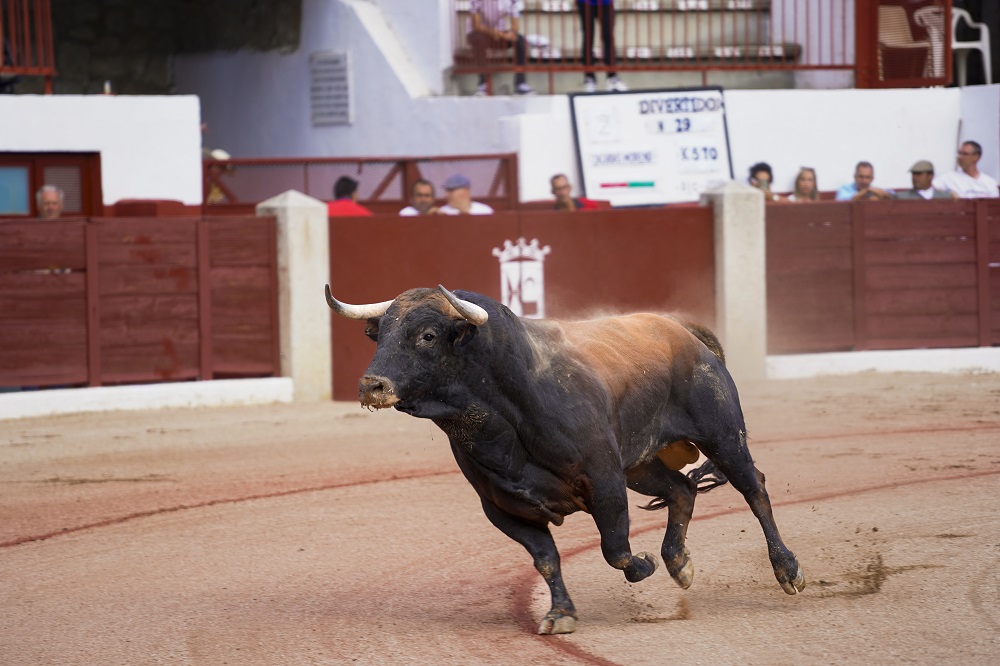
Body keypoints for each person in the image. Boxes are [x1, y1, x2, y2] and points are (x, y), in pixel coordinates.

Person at [468, 0, 535, 96]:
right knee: (479, 40)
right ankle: (483, 85)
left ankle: (520, 84)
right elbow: (476, 25)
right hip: (480, 33)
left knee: (520, 40)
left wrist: (511, 34)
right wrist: (497, 33)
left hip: (499, 34)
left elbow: (515, 24)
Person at [577, 1, 627, 93]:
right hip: (585, 2)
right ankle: (589, 78)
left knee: (608, 36)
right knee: (588, 38)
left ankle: (612, 77)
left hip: (606, 2)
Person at [933, 141, 1000, 198]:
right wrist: (948, 193)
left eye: (964, 154)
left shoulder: (990, 182)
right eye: (959, 154)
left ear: (976, 157)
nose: (960, 157)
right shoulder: (949, 178)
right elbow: (928, 189)